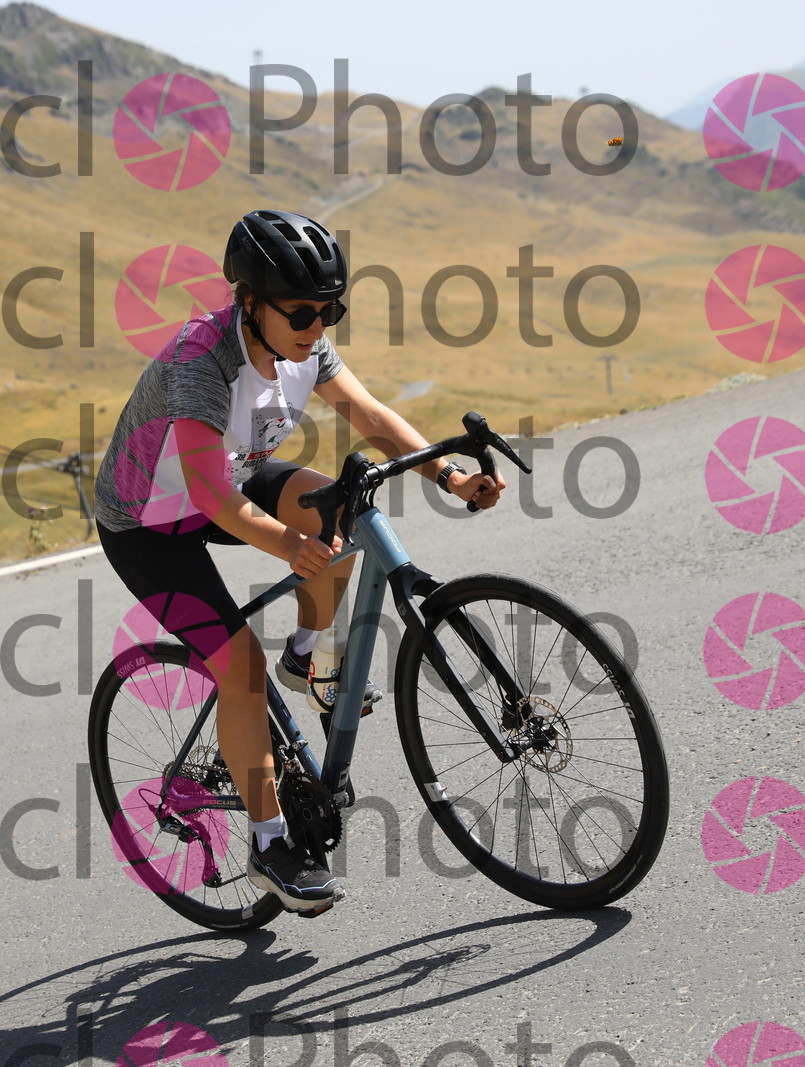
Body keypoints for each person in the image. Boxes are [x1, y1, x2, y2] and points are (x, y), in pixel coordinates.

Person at [93, 209, 504, 913]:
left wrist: (451, 476)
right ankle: (270, 844)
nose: (319, 325)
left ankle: (308, 658)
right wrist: (289, 546)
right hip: (149, 522)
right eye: (305, 312)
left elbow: (370, 416)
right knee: (239, 669)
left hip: (228, 481)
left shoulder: (306, 343)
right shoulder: (202, 363)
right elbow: (208, 494)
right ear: (251, 302)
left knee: (341, 511)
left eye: (331, 309)